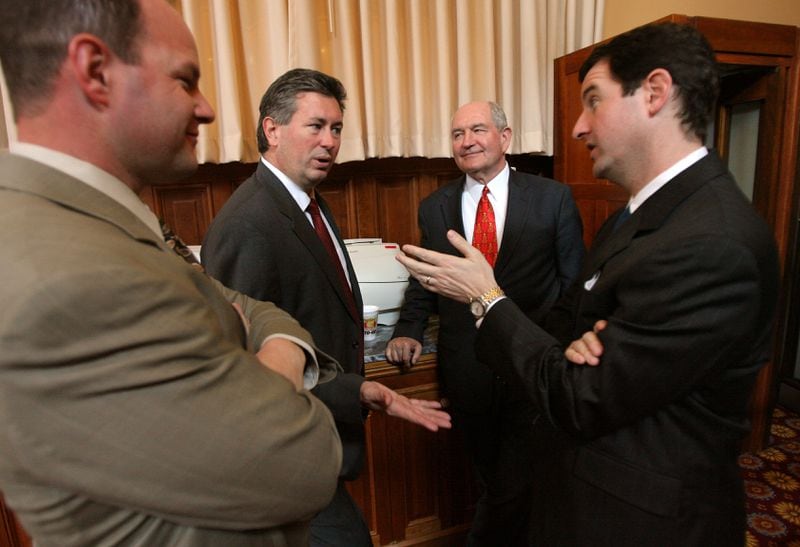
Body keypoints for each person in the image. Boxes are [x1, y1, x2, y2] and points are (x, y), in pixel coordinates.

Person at [396, 22, 779, 546]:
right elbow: (572, 319)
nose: (577, 127)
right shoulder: (636, 216)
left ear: (655, 94)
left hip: (643, 521)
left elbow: (584, 395)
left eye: (593, 101)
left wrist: (486, 296)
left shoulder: (712, 242)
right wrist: (573, 344)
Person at [0, 1, 346, 545]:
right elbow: (302, 459)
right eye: (185, 80)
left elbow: (251, 307)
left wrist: (260, 339)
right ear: (94, 71)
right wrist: (281, 362)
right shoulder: (61, 273)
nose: (206, 109)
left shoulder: (106, 219)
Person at [201, 68, 451, 546]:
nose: (330, 141)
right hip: (286, 456)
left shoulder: (306, 200)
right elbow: (247, 367)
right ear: (272, 130)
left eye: (336, 128)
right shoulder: (248, 224)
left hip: (321, 441)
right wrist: (355, 391)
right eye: (315, 126)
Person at [385, 101, 584, 545]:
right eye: (457, 134)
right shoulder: (435, 207)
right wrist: (406, 329)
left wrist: (565, 349)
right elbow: (426, 278)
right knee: (489, 473)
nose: (467, 141)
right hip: (468, 365)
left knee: (522, 475)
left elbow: (573, 284)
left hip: (533, 361)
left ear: (505, 137)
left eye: (477, 129)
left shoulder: (553, 198)